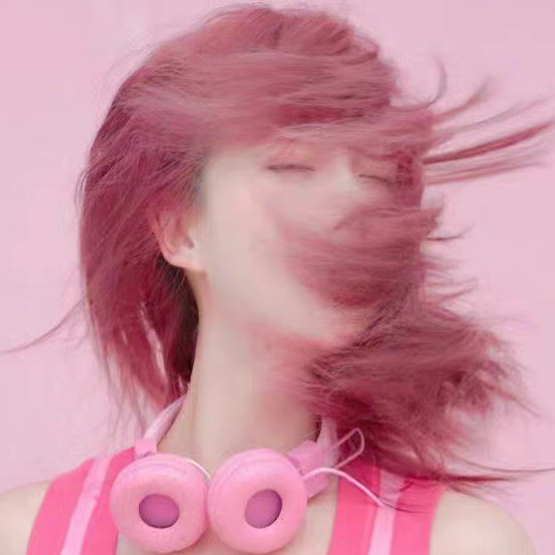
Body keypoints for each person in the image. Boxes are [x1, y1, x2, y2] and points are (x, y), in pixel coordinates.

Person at [1, 3, 553, 554]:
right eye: (293, 166)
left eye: (376, 177)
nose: (352, 205)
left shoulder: (463, 544)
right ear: (180, 230)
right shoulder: (24, 536)